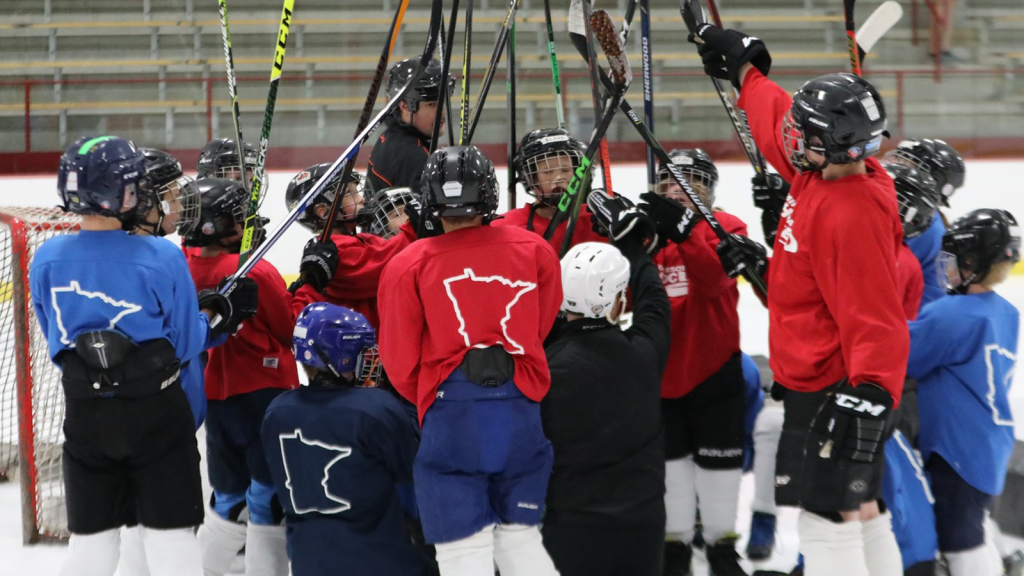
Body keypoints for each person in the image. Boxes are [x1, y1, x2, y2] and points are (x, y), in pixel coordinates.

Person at [690, 24, 909, 576]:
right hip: (830, 379)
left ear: (832, 144)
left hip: (838, 388)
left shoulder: (850, 212)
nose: (793, 139)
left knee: (825, 519)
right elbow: (775, 120)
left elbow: (876, 315)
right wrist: (744, 70)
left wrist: (870, 392)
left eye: (805, 135)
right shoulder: (827, 172)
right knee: (862, 508)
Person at [33, 136, 255, 576]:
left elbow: (56, 340)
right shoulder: (159, 256)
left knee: (91, 547)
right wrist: (217, 316)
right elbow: (186, 342)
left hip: (86, 418)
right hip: (157, 419)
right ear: (125, 194)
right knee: (171, 543)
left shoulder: (47, 257)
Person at [377, 145, 562, 576]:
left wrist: (431, 397)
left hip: (450, 417)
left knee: (463, 550)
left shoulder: (409, 264)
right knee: (520, 538)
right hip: (521, 409)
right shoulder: (535, 250)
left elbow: (399, 360)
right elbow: (542, 324)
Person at [636, 149, 751, 576]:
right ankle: (676, 545)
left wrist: (686, 234)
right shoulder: (648, 233)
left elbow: (715, 279)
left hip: (715, 364)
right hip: (661, 370)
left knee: (720, 462)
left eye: (691, 181)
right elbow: (627, 295)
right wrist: (637, 243)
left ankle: (722, 544)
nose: (678, 189)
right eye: (668, 181)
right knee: (672, 465)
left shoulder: (727, 226)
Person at [540, 192, 667, 576]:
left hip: (571, 526)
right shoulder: (646, 354)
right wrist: (633, 245)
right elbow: (655, 301)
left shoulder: (546, 367)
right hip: (642, 526)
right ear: (618, 302)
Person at [261, 302, 429, 576]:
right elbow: (414, 490)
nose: (370, 357)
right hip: (383, 562)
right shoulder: (377, 409)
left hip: (308, 563)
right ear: (343, 357)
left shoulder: (276, 411)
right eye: (362, 351)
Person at [183, 178, 298, 576]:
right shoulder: (254, 271)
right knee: (268, 495)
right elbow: (288, 328)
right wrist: (304, 290)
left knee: (228, 494)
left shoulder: (182, 263)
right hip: (265, 395)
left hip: (216, 396)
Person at [908, 209, 1020, 576]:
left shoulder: (951, 313)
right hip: (987, 442)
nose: (948, 268)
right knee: (973, 529)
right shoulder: (1007, 312)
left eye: (958, 260)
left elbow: (904, 356)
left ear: (974, 262)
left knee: (960, 542)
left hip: (954, 447)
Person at [284, 164, 431, 329]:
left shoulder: (365, 239)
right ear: (323, 211)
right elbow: (386, 265)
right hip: (359, 350)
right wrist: (415, 227)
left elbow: (390, 250)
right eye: (349, 193)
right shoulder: (331, 252)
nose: (361, 198)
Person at [493, 128, 604, 252]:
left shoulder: (597, 220)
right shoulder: (505, 228)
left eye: (566, 170)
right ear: (531, 178)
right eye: (548, 171)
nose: (559, 178)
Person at [884, 138, 966, 305]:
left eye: (907, 164)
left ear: (933, 181)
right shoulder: (915, 218)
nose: (898, 167)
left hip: (914, 319)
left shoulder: (922, 227)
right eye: (898, 159)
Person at [367, 58, 453, 191]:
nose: (442, 112)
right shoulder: (412, 158)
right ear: (405, 106)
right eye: (431, 104)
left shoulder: (390, 138)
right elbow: (420, 212)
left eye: (442, 103)